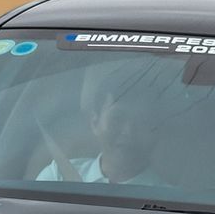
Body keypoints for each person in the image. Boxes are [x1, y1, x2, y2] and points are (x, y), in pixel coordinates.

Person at [38, 75, 166, 186]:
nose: (128, 131)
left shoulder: (168, 199)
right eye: (117, 118)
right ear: (94, 123)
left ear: (157, 131)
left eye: (142, 121)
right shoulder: (57, 177)